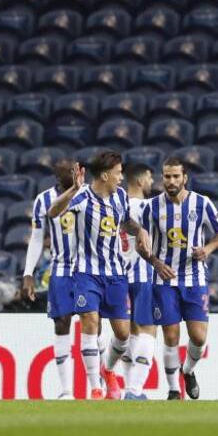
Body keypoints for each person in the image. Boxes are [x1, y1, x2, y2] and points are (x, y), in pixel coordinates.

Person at [46, 151, 153, 400]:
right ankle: (95, 387)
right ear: (105, 175)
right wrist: (72, 189)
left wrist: (141, 231)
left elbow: (126, 222)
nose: (121, 177)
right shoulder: (82, 197)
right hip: (86, 273)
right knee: (90, 323)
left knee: (123, 334)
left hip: (116, 274)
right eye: (117, 173)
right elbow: (53, 212)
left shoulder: (120, 197)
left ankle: (107, 370)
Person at [133, 157, 218, 401]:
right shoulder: (151, 207)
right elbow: (140, 245)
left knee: (198, 337)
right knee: (171, 335)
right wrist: (155, 262)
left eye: (176, 176)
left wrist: (208, 249)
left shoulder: (201, 203)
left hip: (195, 280)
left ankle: (188, 371)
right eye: (167, 176)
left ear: (185, 178)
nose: (171, 181)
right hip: (164, 280)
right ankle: (174, 390)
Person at [21, 159, 79, 399]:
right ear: (58, 176)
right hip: (61, 269)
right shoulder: (43, 200)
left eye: (76, 170)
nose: (74, 174)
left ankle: (100, 381)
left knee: (92, 325)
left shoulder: (88, 194)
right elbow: (36, 239)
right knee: (61, 323)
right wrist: (28, 274)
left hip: (88, 269)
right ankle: (67, 390)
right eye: (68, 172)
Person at [119, 162, 157, 401]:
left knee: (130, 332)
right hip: (144, 274)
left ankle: (129, 388)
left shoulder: (116, 206)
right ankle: (134, 390)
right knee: (148, 330)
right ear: (141, 181)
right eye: (151, 178)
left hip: (120, 275)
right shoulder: (148, 208)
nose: (153, 183)